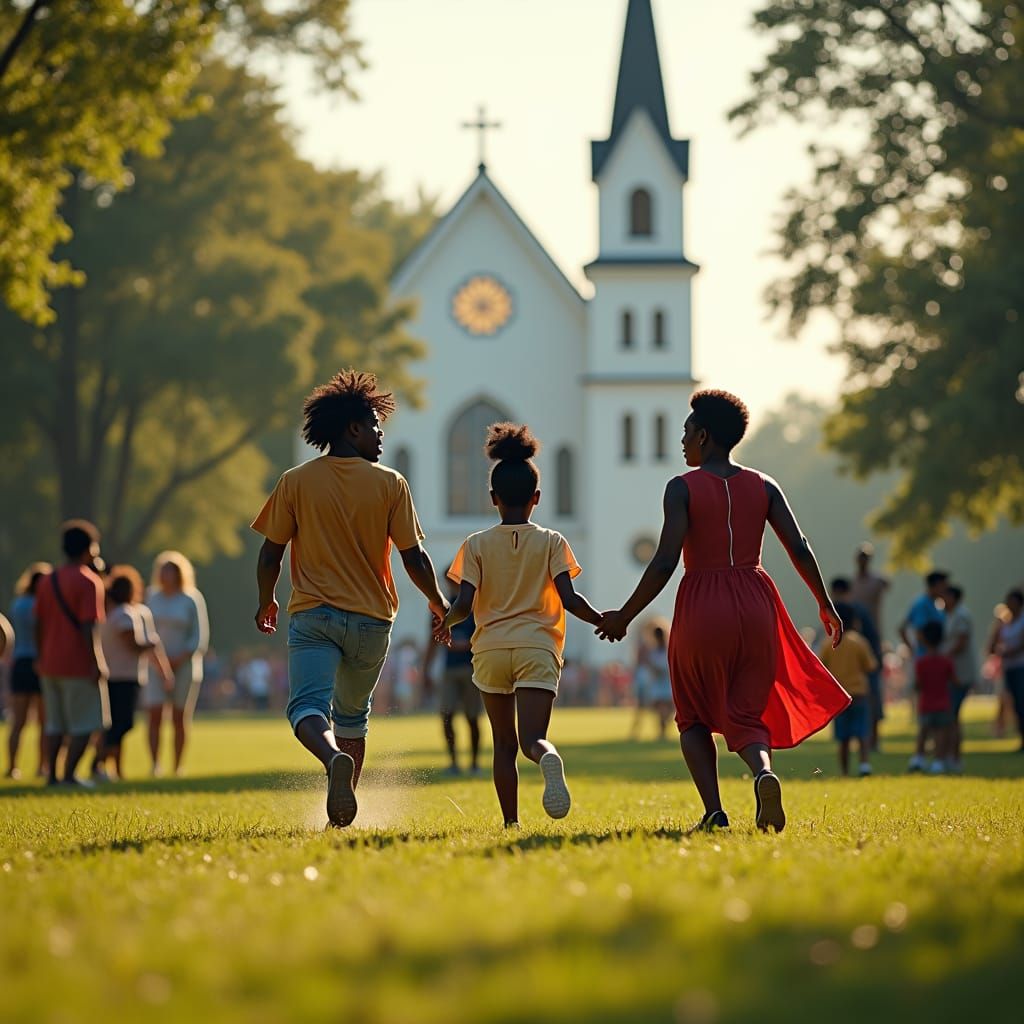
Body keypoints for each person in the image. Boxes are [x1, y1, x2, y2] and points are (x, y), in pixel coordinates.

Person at [597, 390, 849, 833]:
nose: (682, 441)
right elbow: (800, 547)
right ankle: (763, 773)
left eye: (687, 432)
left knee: (693, 714)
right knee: (746, 714)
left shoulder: (681, 488)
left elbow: (663, 562)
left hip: (702, 604)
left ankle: (714, 812)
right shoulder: (765, 485)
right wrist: (824, 605)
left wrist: (625, 615)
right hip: (756, 601)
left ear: (705, 436)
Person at [252, 369, 450, 828]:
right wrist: (440, 605)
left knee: (306, 709)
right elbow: (414, 557)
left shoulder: (296, 481)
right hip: (372, 623)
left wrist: (266, 600)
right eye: (376, 428)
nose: (381, 437)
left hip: (314, 616)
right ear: (353, 429)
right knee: (353, 719)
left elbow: (270, 554)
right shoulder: (390, 483)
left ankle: (329, 760)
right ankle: (342, 813)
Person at [437, 423, 603, 828]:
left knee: (503, 745)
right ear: (537, 498)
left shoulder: (475, 544)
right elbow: (570, 599)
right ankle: (547, 755)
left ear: (493, 498)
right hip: (537, 648)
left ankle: (511, 822)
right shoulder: (552, 542)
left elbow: (464, 604)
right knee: (531, 739)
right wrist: (604, 620)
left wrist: (446, 623)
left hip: (490, 650)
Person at [35, 521, 109, 787]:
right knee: (87, 723)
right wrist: (97, 662)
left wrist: (40, 656)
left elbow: (38, 623)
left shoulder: (47, 580)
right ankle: (69, 775)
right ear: (89, 548)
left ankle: (53, 776)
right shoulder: (89, 581)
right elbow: (90, 626)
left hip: (49, 662)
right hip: (77, 663)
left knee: (55, 724)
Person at [98, 566, 173, 780]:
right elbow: (132, 644)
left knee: (116, 725)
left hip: (125, 675)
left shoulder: (121, 613)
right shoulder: (123, 615)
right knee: (121, 724)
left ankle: (115, 769)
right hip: (120, 676)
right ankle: (99, 763)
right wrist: (151, 644)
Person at [145, 551, 209, 776]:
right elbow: (145, 631)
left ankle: (177, 766)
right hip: (154, 665)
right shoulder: (151, 597)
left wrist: (178, 659)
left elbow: (199, 637)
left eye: (171, 571)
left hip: (185, 665)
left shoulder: (191, 598)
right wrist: (159, 660)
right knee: (154, 714)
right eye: (163, 571)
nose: (166, 575)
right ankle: (155, 764)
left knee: (179, 717)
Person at [424, 581, 482, 775]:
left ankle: (474, 763)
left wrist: (466, 645)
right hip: (450, 670)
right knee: (447, 716)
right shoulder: (443, 607)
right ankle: (454, 763)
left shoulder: (475, 606)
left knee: (472, 718)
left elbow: (482, 636)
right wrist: (426, 669)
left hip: (471, 669)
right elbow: (432, 639)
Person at [818, 603, 878, 777]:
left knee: (843, 736)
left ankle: (844, 771)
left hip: (839, 697)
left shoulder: (828, 643)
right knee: (862, 732)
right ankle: (864, 765)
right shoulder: (859, 642)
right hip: (859, 693)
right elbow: (871, 666)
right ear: (855, 621)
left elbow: (822, 667)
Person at [6, 563, 51, 778]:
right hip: (41, 662)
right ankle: (42, 766)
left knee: (19, 721)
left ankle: (12, 766)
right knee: (44, 721)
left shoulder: (18, 604)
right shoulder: (43, 605)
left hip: (20, 662)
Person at [831, 577, 884, 751]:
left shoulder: (854, 611)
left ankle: (872, 744)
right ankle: (866, 758)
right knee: (863, 722)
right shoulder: (857, 638)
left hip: (846, 681)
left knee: (849, 727)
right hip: (859, 681)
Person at [909, 620, 956, 773]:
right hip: (943, 703)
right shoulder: (946, 661)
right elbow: (954, 680)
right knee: (941, 733)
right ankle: (939, 761)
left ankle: (919, 758)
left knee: (923, 732)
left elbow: (918, 684)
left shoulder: (921, 663)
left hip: (926, 704)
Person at [942, 584, 976, 772]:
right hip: (953, 672)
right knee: (951, 716)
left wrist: (942, 656)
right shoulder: (950, 615)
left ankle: (954, 757)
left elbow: (961, 641)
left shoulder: (961, 615)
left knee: (952, 716)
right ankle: (949, 755)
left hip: (960, 673)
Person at [992, 589, 1024, 752]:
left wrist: (1007, 652)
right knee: (1015, 704)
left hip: (1020, 666)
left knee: (1021, 702)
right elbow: (992, 645)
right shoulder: (1005, 623)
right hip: (1008, 668)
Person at [900, 571, 948, 656]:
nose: (946, 589)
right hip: (927, 658)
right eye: (943, 586)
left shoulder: (936, 604)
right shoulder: (922, 604)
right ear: (935, 586)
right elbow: (919, 632)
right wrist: (913, 650)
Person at [849, 543, 889, 639]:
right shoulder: (852, 582)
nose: (863, 560)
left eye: (865, 558)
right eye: (861, 557)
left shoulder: (877, 580)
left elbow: (887, 584)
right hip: (856, 629)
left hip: (873, 626)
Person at [646, 625, 675, 741]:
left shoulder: (667, 649)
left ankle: (664, 729)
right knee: (661, 709)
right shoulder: (654, 651)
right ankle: (662, 732)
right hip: (658, 682)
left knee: (666, 709)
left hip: (666, 682)